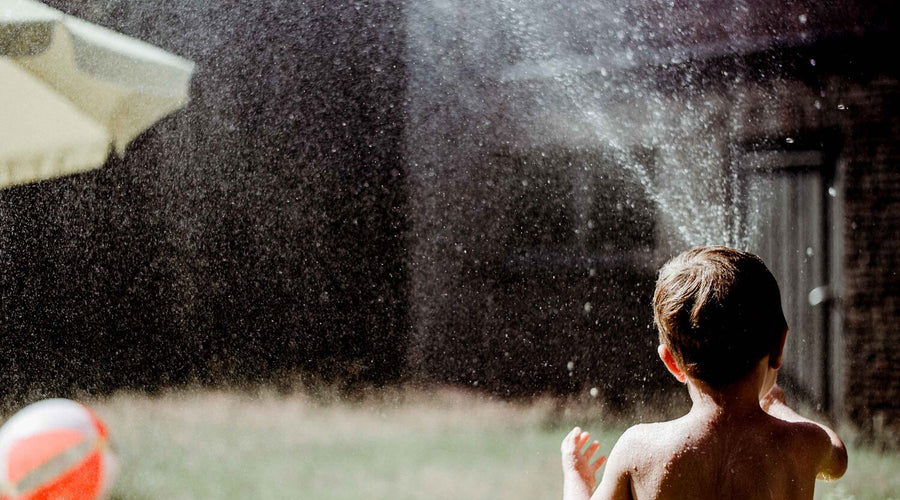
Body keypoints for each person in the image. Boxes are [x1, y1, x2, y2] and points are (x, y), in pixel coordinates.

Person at [561, 245, 847, 500]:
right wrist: (780, 408)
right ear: (779, 346)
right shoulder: (801, 443)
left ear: (671, 362)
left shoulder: (638, 449)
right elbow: (837, 458)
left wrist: (577, 477)